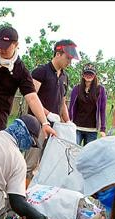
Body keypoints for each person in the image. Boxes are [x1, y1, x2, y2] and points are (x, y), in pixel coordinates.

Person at [24, 39, 78, 184]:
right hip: (37, 125)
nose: (69, 62)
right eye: (68, 58)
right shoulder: (41, 72)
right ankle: (20, 197)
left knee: (46, 165)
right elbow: (31, 97)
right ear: (58, 54)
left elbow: (62, 102)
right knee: (30, 164)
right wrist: (47, 114)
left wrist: (67, 121)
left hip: (54, 128)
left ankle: (35, 197)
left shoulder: (65, 77)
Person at [69, 63, 107, 146]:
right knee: (73, 152)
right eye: (86, 73)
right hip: (77, 127)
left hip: (92, 129)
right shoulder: (76, 89)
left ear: (95, 76)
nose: (89, 76)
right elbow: (71, 107)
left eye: (91, 74)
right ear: (83, 75)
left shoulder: (100, 90)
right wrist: (68, 121)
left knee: (88, 155)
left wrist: (103, 129)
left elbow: (102, 110)